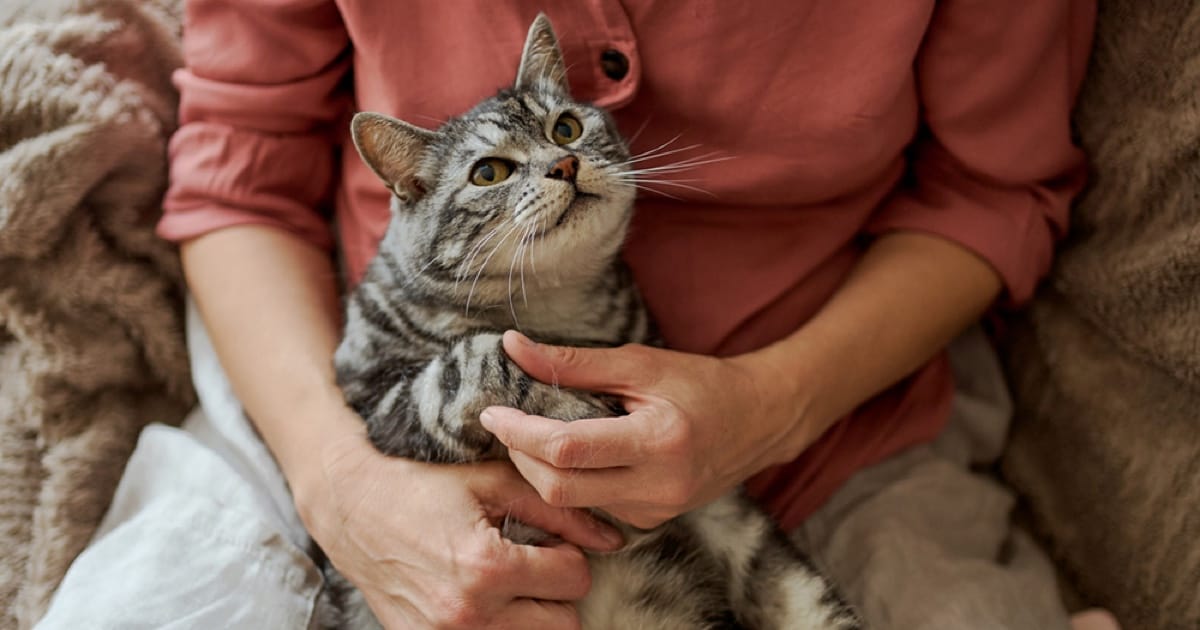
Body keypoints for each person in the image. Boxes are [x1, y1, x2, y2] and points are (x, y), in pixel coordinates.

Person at [37, 2, 1121, 629]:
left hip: (831, 413)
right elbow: (239, 173)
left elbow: (998, 188)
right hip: (336, 403)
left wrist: (770, 406)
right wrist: (343, 489)